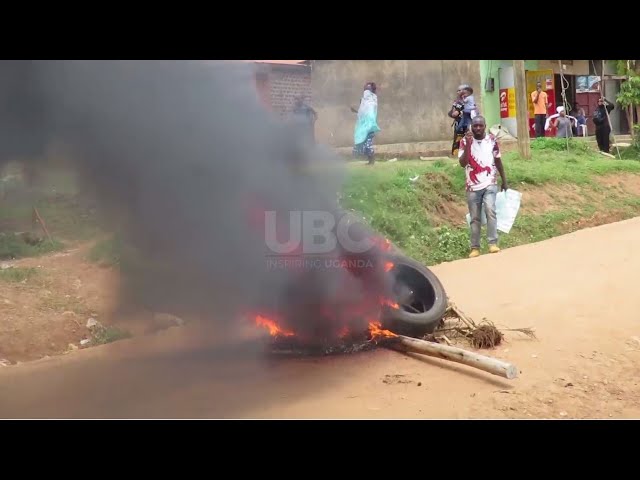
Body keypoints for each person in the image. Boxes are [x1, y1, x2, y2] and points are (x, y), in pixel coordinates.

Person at [458, 115, 508, 258]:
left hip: (490, 183)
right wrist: (468, 144)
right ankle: (475, 248)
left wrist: (504, 180)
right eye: (475, 126)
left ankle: (493, 243)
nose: (478, 128)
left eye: (480, 126)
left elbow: (498, 161)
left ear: (485, 126)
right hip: (472, 187)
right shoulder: (464, 141)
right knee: (475, 218)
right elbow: (463, 163)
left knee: (490, 210)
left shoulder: (492, 140)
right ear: (471, 127)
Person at [351, 82, 381, 165]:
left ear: (372, 90)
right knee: (361, 143)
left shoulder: (373, 101)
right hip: (363, 126)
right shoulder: (363, 101)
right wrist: (355, 111)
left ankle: (372, 160)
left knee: (367, 144)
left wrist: (369, 125)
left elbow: (370, 114)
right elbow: (362, 113)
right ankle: (369, 160)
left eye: (368, 89)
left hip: (369, 126)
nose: (366, 91)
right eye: (365, 89)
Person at [449, 84, 478, 156]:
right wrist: (454, 113)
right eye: (457, 90)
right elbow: (450, 113)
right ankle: (456, 155)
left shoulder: (470, 100)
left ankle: (470, 155)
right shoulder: (456, 102)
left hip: (468, 124)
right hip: (459, 125)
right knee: (458, 141)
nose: (458, 92)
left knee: (469, 140)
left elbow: (476, 112)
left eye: (460, 90)